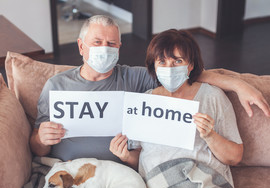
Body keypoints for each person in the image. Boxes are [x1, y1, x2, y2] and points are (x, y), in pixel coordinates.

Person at [30, 15, 270, 162]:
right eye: (97, 42)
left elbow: (184, 73)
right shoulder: (56, 86)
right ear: (81, 47)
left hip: (118, 170)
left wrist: (239, 85)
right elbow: (36, 147)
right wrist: (41, 139)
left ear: (120, 47)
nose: (105, 48)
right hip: (65, 167)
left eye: (111, 43)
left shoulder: (135, 78)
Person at [110, 29, 244, 186]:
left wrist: (210, 136)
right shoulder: (143, 102)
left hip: (202, 185)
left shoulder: (212, 96)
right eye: (162, 62)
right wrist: (125, 156)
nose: (170, 68)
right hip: (157, 187)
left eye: (178, 61)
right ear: (154, 66)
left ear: (190, 65)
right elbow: (140, 158)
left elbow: (235, 157)